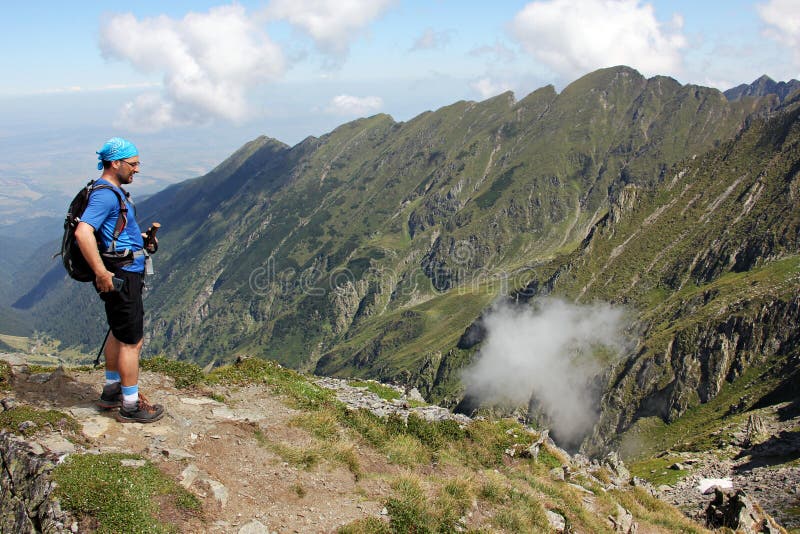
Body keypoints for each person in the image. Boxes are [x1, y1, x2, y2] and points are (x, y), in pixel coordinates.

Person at [74, 137, 164, 423]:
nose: (137, 170)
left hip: (120, 270)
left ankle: (112, 390)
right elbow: (83, 232)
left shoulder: (111, 192)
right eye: (133, 164)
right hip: (122, 274)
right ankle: (130, 405)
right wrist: (102, 273)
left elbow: (114, 232)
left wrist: (143, 242)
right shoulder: (105, 194)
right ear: (116, 163)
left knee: (118, 330)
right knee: (132, 341)